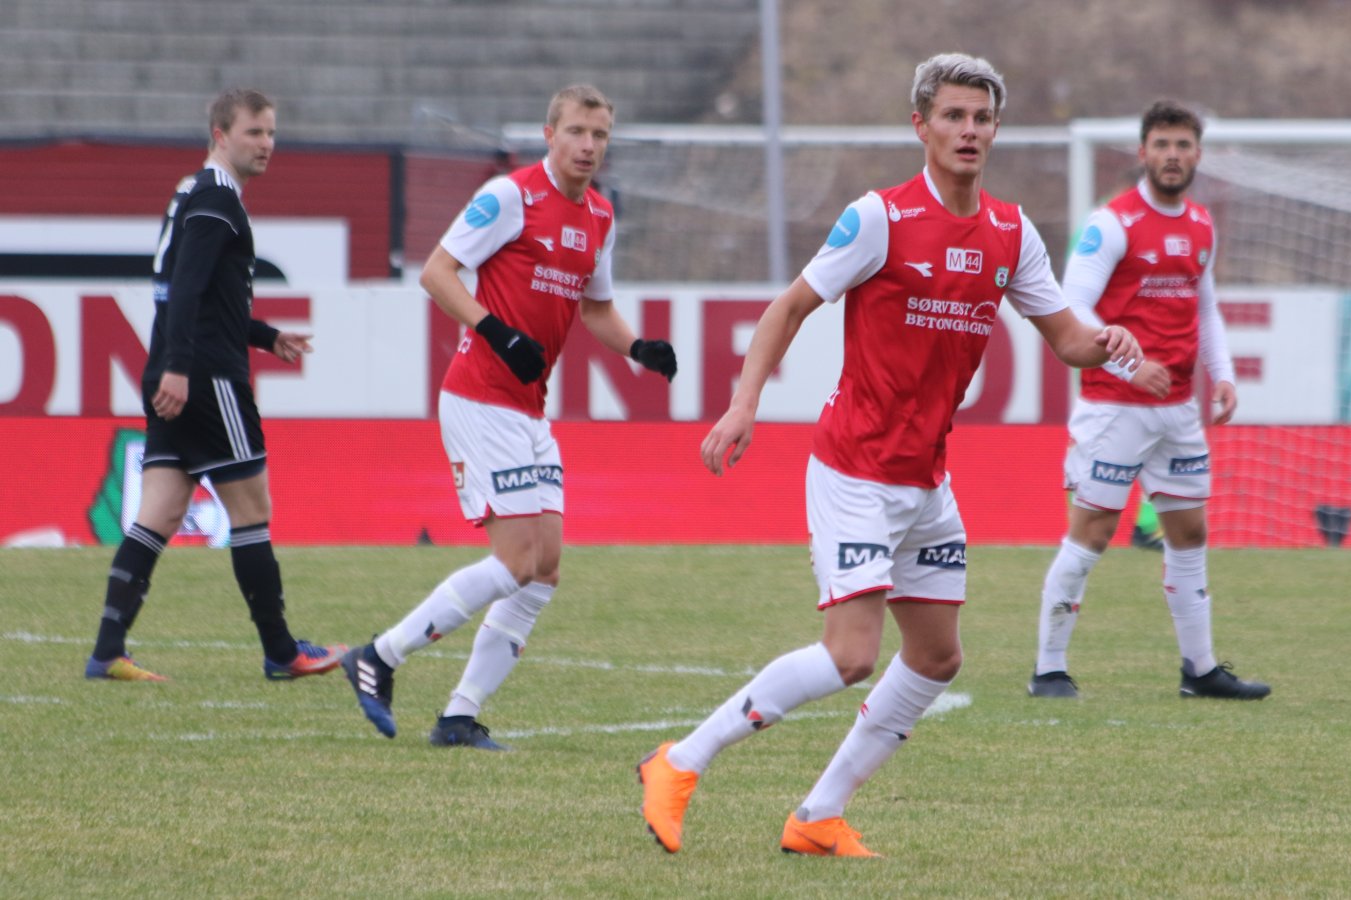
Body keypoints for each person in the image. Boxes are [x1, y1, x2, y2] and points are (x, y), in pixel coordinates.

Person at [636, 53, 1143, 858]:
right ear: (921, 126)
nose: (969, 130)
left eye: (981, 118)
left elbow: (1068, 340)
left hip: (925, 479)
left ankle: (818, 815)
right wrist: (744, 402)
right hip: (855, 470)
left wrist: (1107, 341)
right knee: (852, 656)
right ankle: (679, 762)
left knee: (937, 656)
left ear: (996, 129)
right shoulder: (880, 218)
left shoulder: (1011, 232)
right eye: (953, 116)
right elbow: (789, 307)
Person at [341, 84, 676, 749]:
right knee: (517, 559)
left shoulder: (600, 215)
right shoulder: (508, 197)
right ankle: (379, 655)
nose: (588, 145)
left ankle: (458, 716)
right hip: (479, 397)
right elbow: (437, 273)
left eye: (600, 135)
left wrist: (638, 347)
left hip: (527, 409)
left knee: (544, 567)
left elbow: (595, 308)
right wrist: (496, 330)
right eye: (576, 131)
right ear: (549, 134)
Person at [84, 88, 347, 682]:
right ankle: (282, 652)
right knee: (252, 511)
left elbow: (206, 297)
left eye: (271, 132)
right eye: (254, 132)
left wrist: (265, 336)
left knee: (159, 512)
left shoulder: (193, 192)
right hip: (205, 377)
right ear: (220, 135)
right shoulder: (216, 199)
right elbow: (186, 290)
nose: (267, 143)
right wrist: (181, 367)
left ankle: (106, 651)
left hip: (178, 369)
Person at [1027, 100, 1270, 702]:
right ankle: (1048, 669)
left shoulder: (1202, 225)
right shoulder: (1112, 223)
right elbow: (1072, 306)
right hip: (1115, 406)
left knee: (1189, 533)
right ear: (1142, 152)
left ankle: (1200, 670)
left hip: (1179, 411)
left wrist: (1223, 374)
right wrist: (1129, 365)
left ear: (1198, 154)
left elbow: (1204, 308)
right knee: (1092, 534)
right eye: (1161, 144)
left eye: (1183, 145)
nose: (1172, 155)